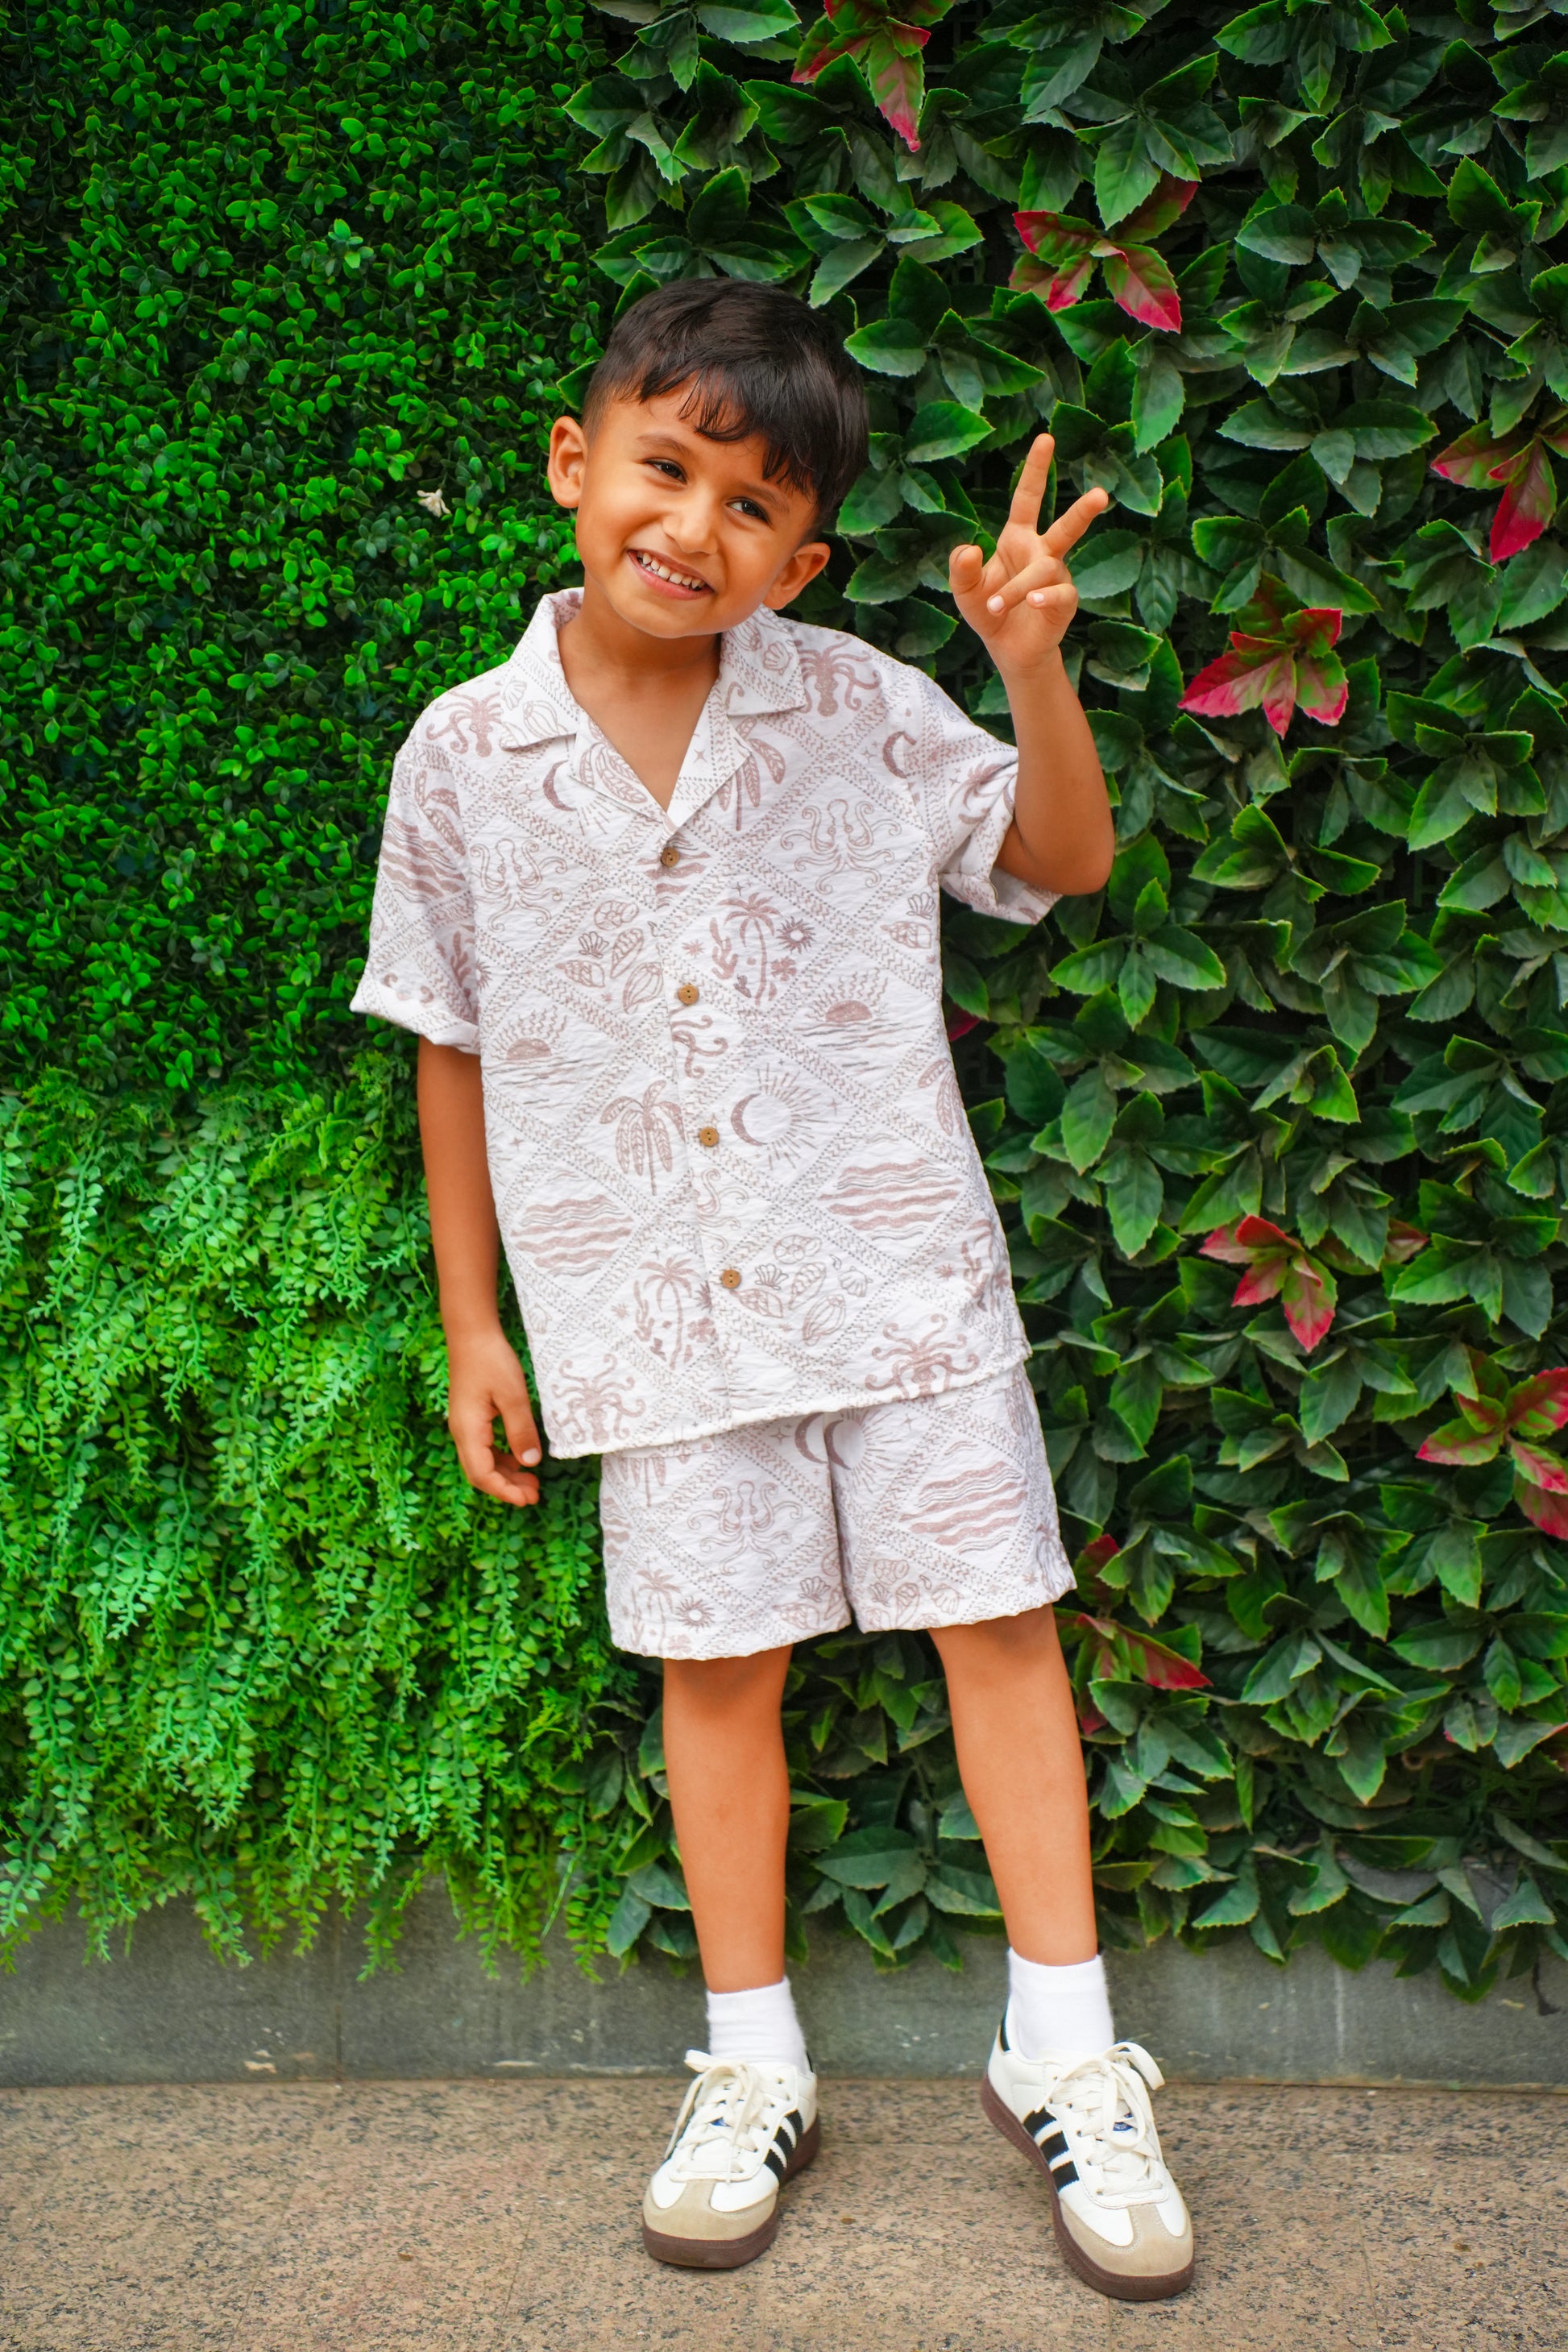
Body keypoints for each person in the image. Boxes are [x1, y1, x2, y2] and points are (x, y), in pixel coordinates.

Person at [351, 277, 1193, 2303]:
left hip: (898, 1280)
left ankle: (1066, 2049)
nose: (692, 528)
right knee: (716, 1669)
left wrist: (1029, 669)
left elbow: (1058, 857)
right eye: (664, 470)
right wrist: (474, 1322)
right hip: (644, 1308)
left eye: (750, 508)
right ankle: (751, 2062)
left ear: (800, 562)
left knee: (999, 1628)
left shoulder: (862, 704)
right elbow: (445, 1036)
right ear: (577, 464)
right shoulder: (461, 756)